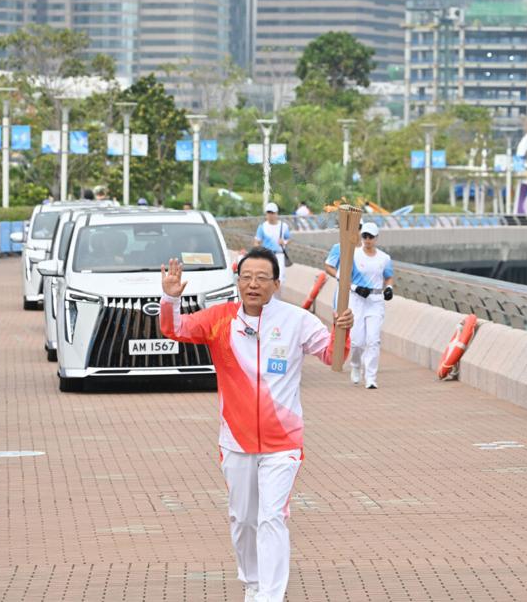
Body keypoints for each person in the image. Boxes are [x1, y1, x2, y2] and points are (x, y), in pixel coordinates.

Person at [159, 248, 353, 602]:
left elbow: (334, 358)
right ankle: (252, 583)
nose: (253, 285)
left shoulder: (297, 321)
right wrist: (170, 299)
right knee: (244, 519)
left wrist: (342, 333)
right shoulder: (220, 320)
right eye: (247, 277)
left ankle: (270, 596)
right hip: (236, 440)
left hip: (284, 442)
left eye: (262, 278)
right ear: (238, 281)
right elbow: (175, 329)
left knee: (272, 518)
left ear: (276, 284)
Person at [322, 222, 393, 389]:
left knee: (373, 340)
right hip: (356, 300)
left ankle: (371, 377)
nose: (367, 240)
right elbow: (344, 276)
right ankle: (355, 365)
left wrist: (389, 288)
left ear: (376, 238)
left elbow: (388, 277)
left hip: (375, 301)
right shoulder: (352, 255)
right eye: (365, 236)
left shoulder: (384, 258)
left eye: (371, 237)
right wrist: (355, 288)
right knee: (357, 341)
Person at [254, 203, 291, 286]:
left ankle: (277, 296)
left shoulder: (283, 226)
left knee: (280, 277)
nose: (270, 215)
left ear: (276, 213)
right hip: (267, 255)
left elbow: (289, 239)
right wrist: (257, 254)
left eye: (272, 213)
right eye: (268, 213)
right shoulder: (262, 226)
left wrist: (284, 242)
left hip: (279, 254)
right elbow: (257, 241)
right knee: (267, 277)